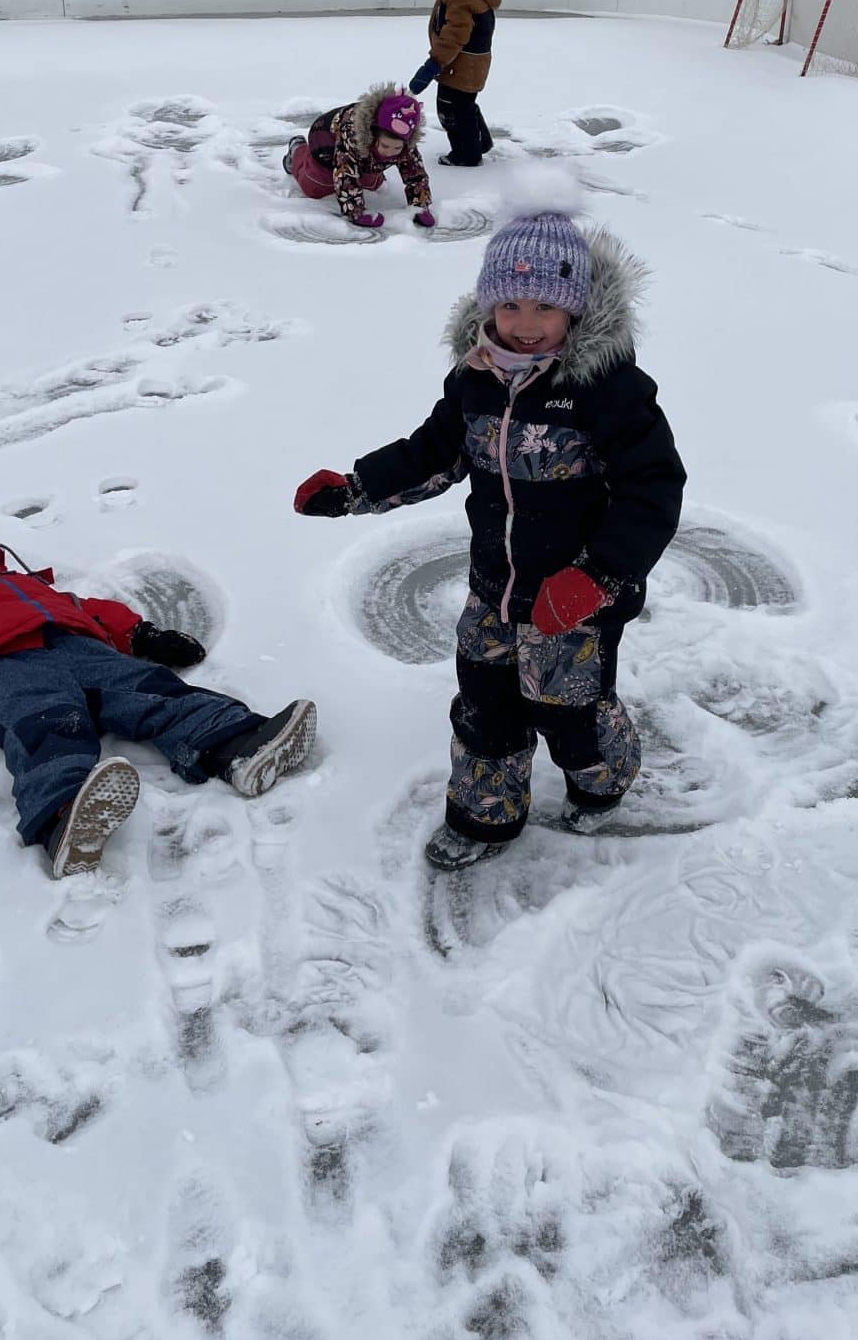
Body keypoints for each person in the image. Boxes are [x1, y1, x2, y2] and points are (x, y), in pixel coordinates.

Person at [293, 198, 686, 869]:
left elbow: (653, 488)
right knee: (485, 707)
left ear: (577, 308)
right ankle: (485, 817)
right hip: (493, 590)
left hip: (575, 597)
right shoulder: (476, 379)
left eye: (544, 308)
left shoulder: (606, 389)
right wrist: (358, 487)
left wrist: (599, 577)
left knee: (569, 711)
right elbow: (435, 453)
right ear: (488, 305)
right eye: (510, 306)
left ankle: (605, 777)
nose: (525, 325)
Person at [0, 538, 317, 877]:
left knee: (147, 688)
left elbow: (89, 609)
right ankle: (63, 815)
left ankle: (235, 745)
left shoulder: (22, 582)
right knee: (44, 721)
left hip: (76, 645)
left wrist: (143, 636)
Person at [408, 0, 507, 168]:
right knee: (465, 104)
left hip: (459, 64)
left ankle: (466, 154)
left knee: (450, 108)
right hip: (472, 63)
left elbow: (454, 36)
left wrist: (433, 64)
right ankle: (480, 141)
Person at [283, 85, 434, 230]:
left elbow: (416, 173)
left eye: (397, 148)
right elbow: (344, 173)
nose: (391, 153)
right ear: (373, 136)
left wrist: (420, 206)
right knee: (316, 187)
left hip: (363, 154)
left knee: (371, 183)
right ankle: (298, 150)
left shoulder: (406, 141)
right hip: (324, 141)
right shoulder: (353, 134)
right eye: (386, 146)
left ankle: (368, 167)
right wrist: (355, 212)